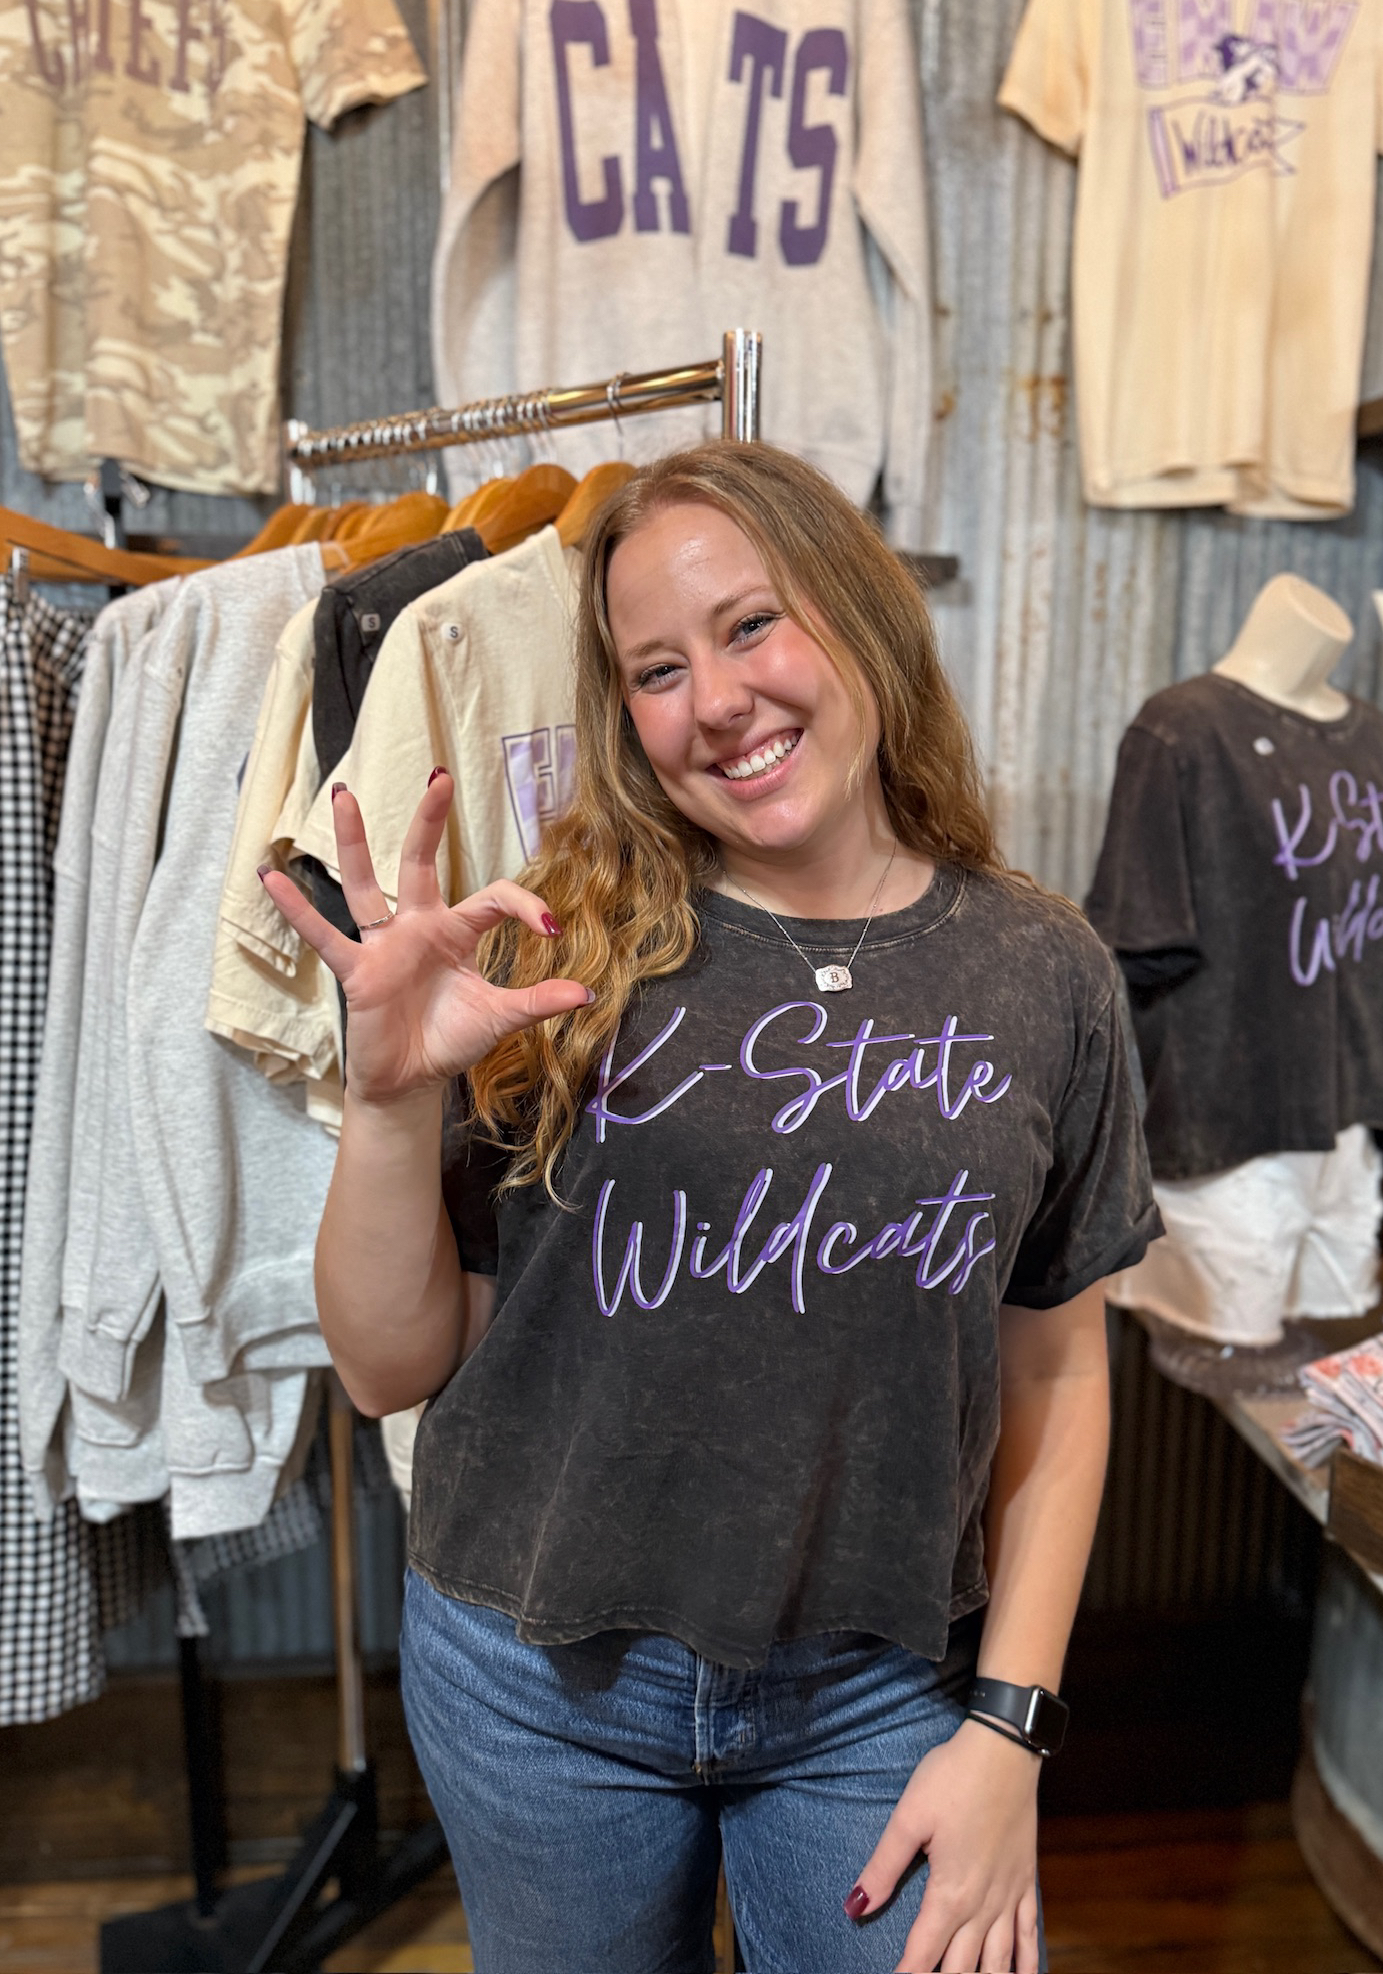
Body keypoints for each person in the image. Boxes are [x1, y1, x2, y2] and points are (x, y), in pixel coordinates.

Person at [261, 441, 1158, 1974]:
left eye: (753, 626)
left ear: (862, 616)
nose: (717, 699)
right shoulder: (565, 936)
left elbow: (1058, 1372)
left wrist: (1009, 1728)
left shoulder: (1043, 972)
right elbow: (387, 1363)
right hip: (535, 1681)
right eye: (657, 667)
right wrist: (391, 1101)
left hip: (874, 1684)